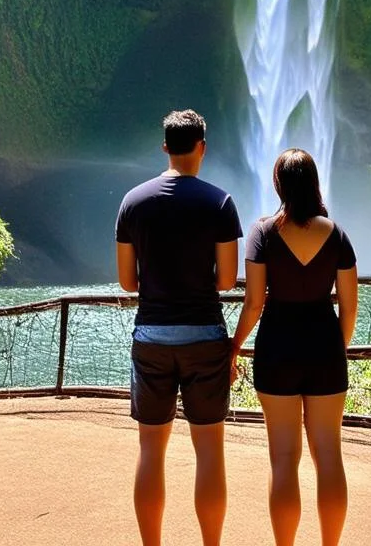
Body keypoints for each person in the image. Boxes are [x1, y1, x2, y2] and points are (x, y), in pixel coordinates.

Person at [115, 109, 242, 546]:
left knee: (151, 453)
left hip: (151, 335)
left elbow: (128, 281)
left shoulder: (132, 202)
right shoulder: (220, 203)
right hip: (206, 336)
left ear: (165, 147)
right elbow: (226, 280)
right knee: (210, 454)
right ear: (202, 148)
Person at [229, 148, 359, 546]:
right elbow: (350, 306)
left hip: (277, 348)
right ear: (314, 182)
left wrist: (233, 347)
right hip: (325, 349)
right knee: (329, 457)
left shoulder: (262, 233)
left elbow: (254, 303)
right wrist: (336, 348)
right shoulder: (337, 235)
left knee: (284, 460)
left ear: (279, 184)